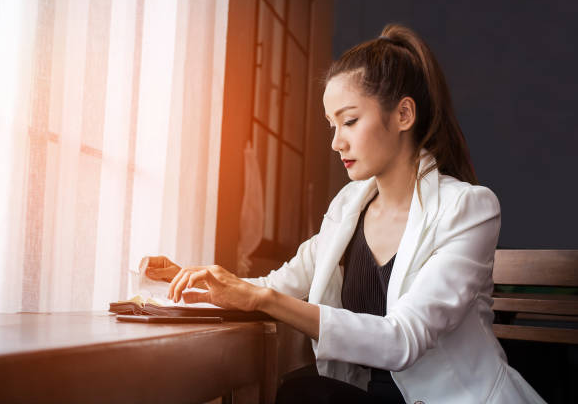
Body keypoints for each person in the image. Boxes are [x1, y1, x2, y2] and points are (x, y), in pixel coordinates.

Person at [143, 24, 544, 403]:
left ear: (404, 115)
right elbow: (277, 286)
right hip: (367, 394)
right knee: (303, 389)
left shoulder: (469, 208)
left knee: (306, 393)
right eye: (331, 125)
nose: (337, 142)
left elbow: (402, 338)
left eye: (350, 121)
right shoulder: (348, 206)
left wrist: (259, 297)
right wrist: (198, 286)